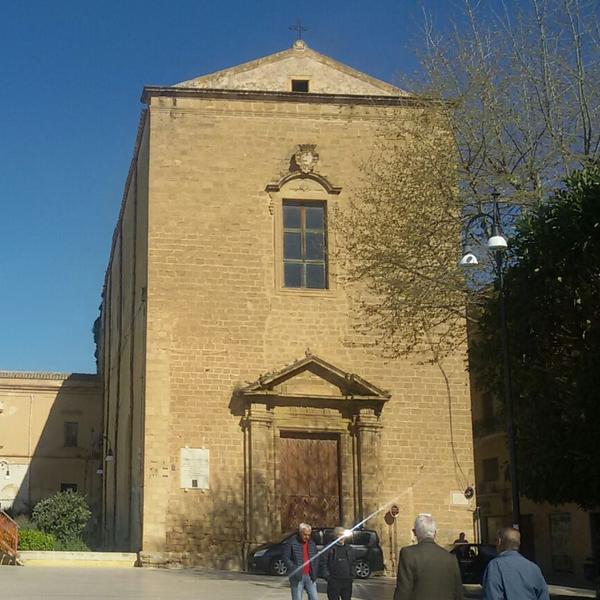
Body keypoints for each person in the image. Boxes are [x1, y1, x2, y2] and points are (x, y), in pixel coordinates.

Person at [393, 513, 464, 600]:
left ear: (415, 533)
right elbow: (458, 594)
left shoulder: (408, 554)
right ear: (435, 534)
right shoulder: (450, 558)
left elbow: (403, 592)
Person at [482, 526, 549, 600]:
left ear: (499, 541)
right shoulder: (534, 568)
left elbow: (492, 596)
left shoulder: (495, 566)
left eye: (495, 540)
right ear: (519, 543)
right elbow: (543, 596)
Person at [283, 522, 320, 600]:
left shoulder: (312, 544)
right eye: (305, 534)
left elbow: (316, 558)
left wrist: (315, 571)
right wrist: (294, 569)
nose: (307, 537)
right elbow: (286, 558)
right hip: (297, 577)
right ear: (300, 533)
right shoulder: (291, 543)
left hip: (310, 576)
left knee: (314, 598)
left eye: (309, 535)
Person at [322, 527, 355, 600]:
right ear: (335, 536)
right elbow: (323, 563)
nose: (341, 537)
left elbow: (353, 562)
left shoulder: (349, 548)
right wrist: (328, 577)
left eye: (343, 535)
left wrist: (352, 576)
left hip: (347, 581)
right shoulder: (329, 548)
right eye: (339, 535)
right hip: (334, 581)